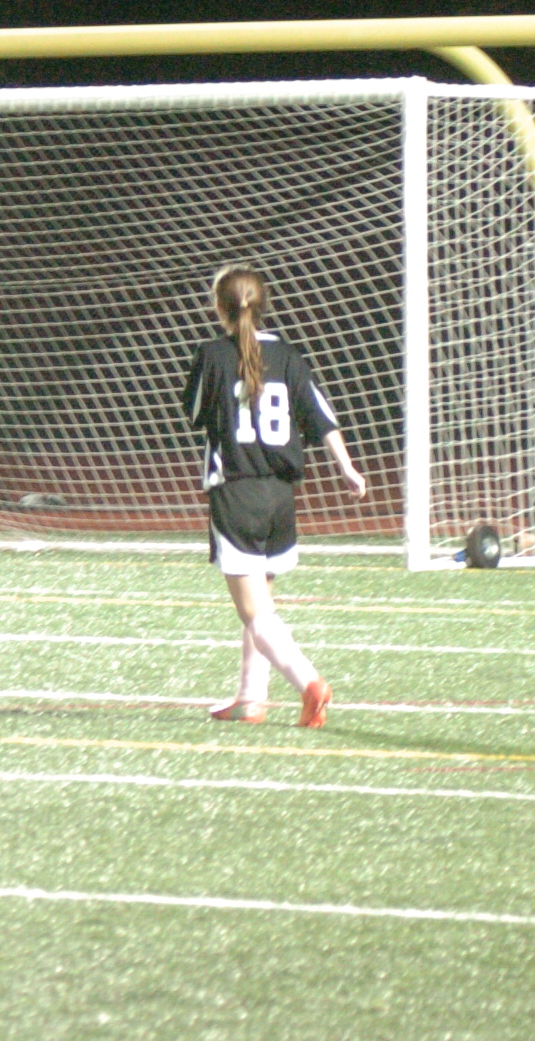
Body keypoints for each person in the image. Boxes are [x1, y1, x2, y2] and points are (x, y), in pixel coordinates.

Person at [182, 267, 366, 728]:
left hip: (237, 492)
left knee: (253, 612)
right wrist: (347, 467)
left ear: (218, 308)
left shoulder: (213, 355)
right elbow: (322, 417)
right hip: (280, 495)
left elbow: (193, 413)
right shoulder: (288, 355)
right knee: (261, 606)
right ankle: (250, 698)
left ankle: (309, 683)